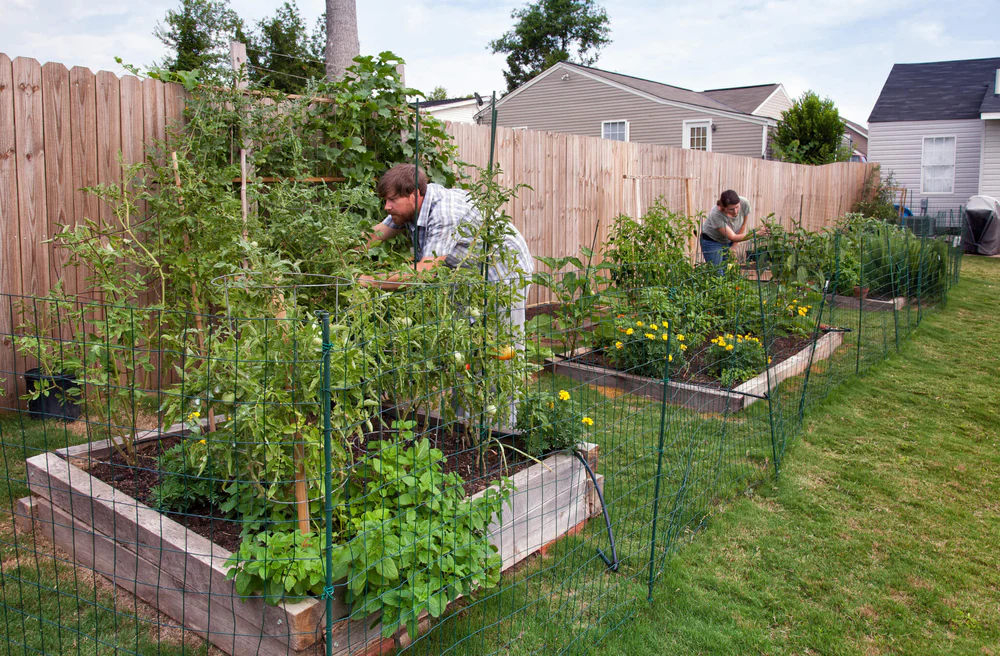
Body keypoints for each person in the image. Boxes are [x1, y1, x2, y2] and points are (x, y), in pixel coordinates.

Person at [699, 189, 767, 270]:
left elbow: (743, 225)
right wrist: (756, 234)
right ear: (723, 207)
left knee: (729, 271)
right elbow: (733, 237)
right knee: (717, 272)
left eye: (737, 207)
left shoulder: (744, 203)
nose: (735, 211)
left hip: (728, 241)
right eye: (731, 209)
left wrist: (734, 246)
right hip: (712, 241)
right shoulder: (716, 214)